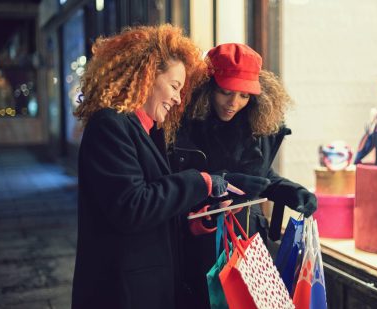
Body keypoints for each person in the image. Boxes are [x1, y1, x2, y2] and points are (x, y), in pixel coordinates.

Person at [71, 25, 243, 309]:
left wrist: (194, 224)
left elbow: (151, 208)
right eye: (175, 86)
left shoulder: (145, 130)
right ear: (147, 76)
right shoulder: (110, 125)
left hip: (145, 287)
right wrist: (200, 182)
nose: (178, 99)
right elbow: (131, 206)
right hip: (119, 292)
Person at [172, 43, 318, 308]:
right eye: (225, 92)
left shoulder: (258, 127)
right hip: (200, 245)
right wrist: (220, 184)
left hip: (249, 244)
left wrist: (287, 189)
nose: (233, 103)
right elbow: (174, 185)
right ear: (206, 88)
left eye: (244, 95)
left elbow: (260, 176)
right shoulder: (185, 129)